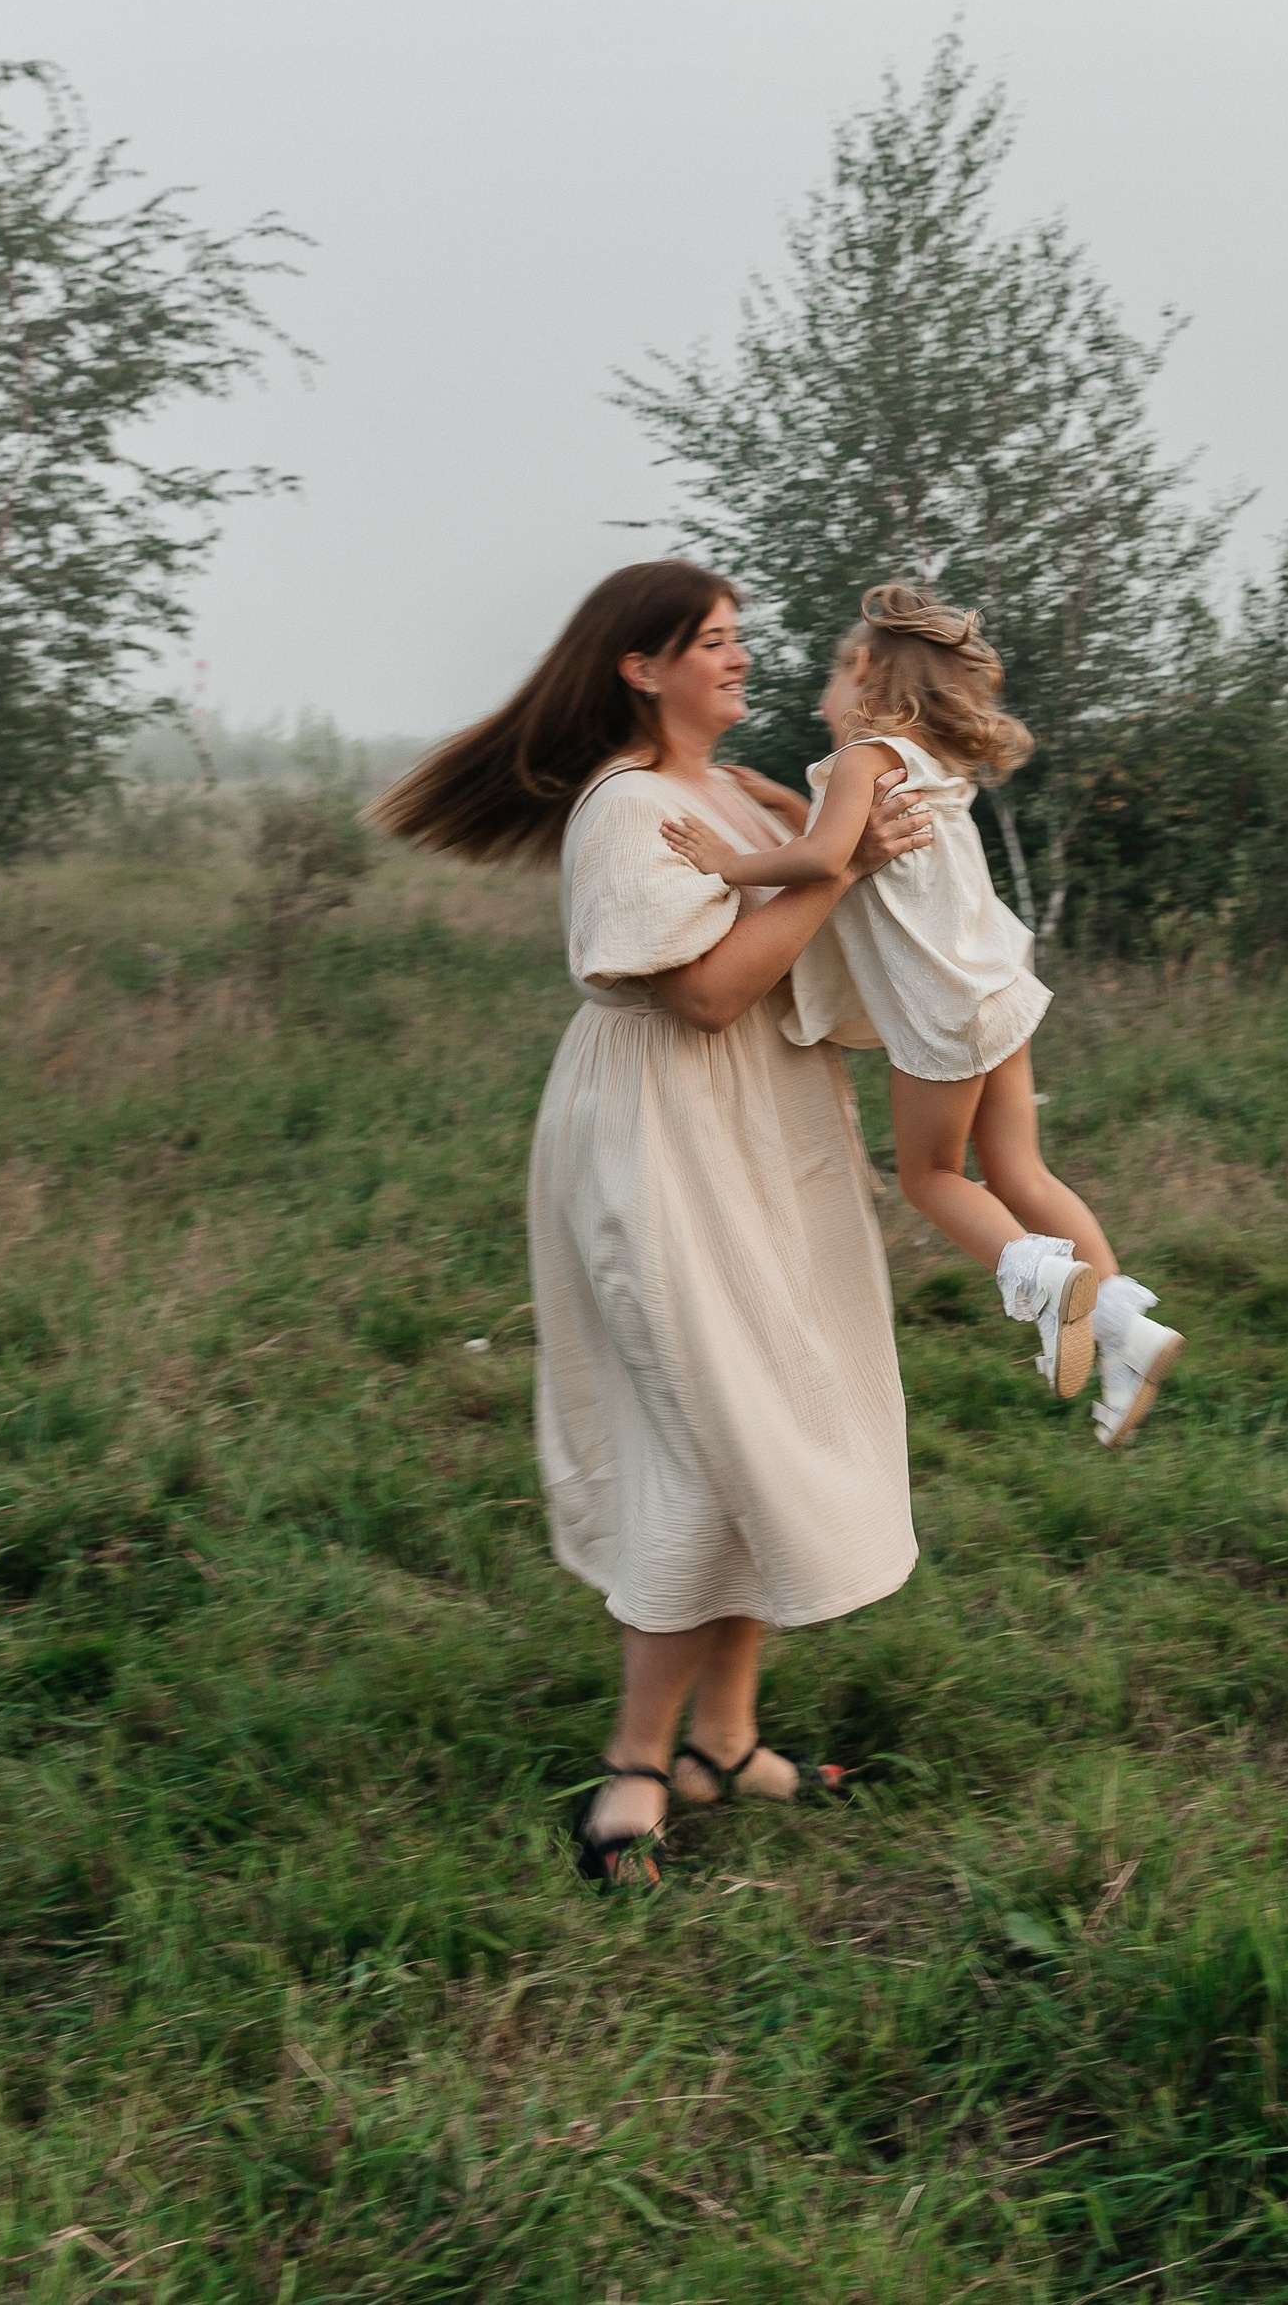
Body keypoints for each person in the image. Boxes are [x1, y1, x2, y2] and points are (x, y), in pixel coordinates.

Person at [373, 560, 934, 1891]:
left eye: (745, 638)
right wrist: (839, 869)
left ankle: (723, 1747)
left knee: (766, 1409)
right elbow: (702, 993)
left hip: (761, 1128)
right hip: (665, 1130)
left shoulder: (731, 792)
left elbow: (825, 884)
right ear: (642, 666)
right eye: (715, 642)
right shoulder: (628, 810)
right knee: (697, 1422)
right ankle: (637, 1763)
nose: (742, 659)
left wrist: (854, 836)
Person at [660, 581, 1184, 1451]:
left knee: (931, 1177)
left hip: (943, 1015)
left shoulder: (864, 755)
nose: (820, 689)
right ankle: (1127, 1328)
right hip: (995, 988)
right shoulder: (925, 760)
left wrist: (728, 859)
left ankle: (1042, 1282)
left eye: (831, 668)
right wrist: (790, 809)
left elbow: (831, 858)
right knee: (1021, 1171)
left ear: (862, 670)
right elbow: (853, 844)